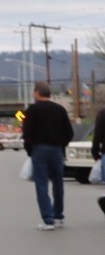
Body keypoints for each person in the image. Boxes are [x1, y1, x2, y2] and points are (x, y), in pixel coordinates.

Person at [22, 80, 74, 230]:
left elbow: (27, 134)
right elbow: (69, 133)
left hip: (40, 150)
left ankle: (48, 219)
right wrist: (61, 144)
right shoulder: (60, 110)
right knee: (58, 184)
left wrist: (30, 150)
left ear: (37, 93)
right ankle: (58, 216)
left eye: (34, 92)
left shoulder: (32, 110)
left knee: (42, 184)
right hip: (57, 150)